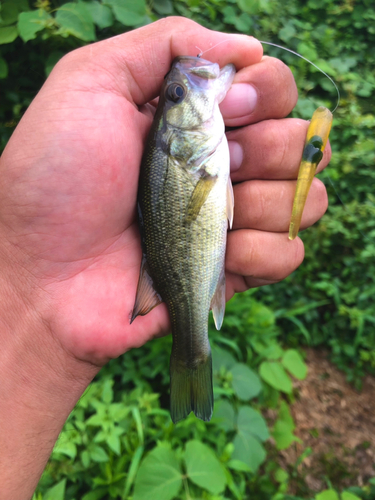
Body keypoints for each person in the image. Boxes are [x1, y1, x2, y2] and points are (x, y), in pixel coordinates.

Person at [0, 17, 329, 499]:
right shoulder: (186, 150)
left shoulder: (190, 147)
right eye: (176, 96)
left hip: (184, 248)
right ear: (172, 135)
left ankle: (190, 354)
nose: (184, 88)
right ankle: (192, 352)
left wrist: (32, 309)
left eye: (173, 96)